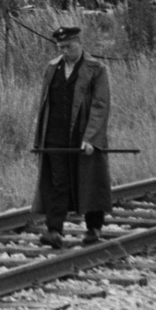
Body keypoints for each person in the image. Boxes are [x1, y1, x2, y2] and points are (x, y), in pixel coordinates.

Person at [31, 25, 113, 248]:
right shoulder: (52, 68)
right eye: (61, 47)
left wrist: (91, 138)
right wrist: (40, 137)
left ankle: (94, 228)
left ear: (79, 43)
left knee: (89, 180)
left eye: (69, 46)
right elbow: (45, 104)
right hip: (55, 136)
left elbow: (100, 105)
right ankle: (54, 230)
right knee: (59, 182)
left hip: (83, 135)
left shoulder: (96, 68)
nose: (65, 50)